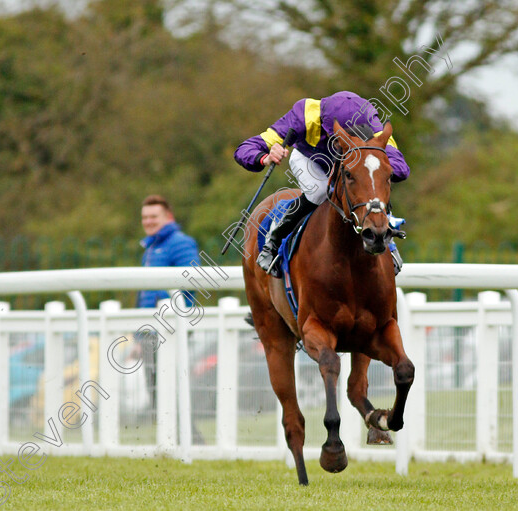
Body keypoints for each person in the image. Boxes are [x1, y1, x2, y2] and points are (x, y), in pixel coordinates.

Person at [233, 91, 411, 275]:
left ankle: (387, 241)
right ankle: (274, 240)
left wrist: (377, 170)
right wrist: (264, 157)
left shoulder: (374, 125)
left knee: (370, 188)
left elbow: (400, 168)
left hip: (354, 167)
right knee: (318, 192)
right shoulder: (303, 115)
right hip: (311, 160)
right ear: (326, 127)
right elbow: (245, 149)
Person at [135, 195, 204, 444]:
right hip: (150, 331)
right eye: (145, 217)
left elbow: (190, 282)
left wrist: (168, 314)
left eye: (154, 216)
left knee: (171, 389)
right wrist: (138, 335)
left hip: (172, 327)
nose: (148, 221)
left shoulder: (181, 243)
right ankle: (177, 441)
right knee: (156, 391)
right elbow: (144, 294)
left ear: (168, 217)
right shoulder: (151, 248)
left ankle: (190, 442)